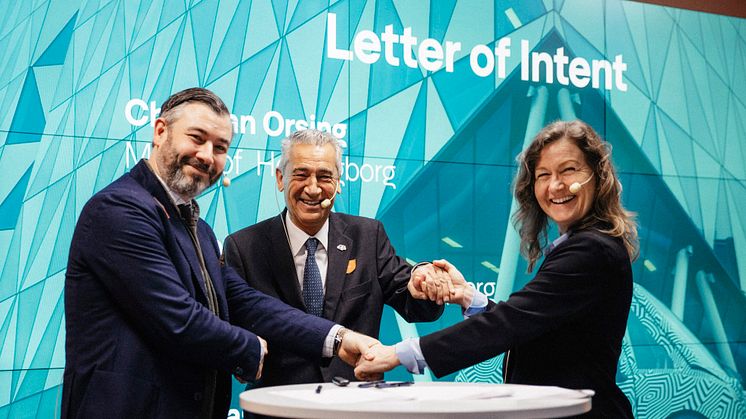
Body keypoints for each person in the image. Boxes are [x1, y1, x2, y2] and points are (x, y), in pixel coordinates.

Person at [62, 88, 378, 419]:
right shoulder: (120, 210)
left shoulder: (198, 229)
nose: (207, 155)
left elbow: (244, 301)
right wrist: (253, 349)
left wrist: (339, 338)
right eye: (196, 138)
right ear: (160, 132)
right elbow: (177, 319)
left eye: (220, 147)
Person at [356, 120, 638, 418]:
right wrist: (467, 297)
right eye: (543, 175)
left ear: (596, 175)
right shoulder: (583, 244)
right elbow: (530, 327)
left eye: (568, 170)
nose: (555, 186)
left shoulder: (590, 250)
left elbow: (511, 323)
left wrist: (399, 353)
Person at [223, 129, 449, 387]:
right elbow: (236, 331)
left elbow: (412, 301)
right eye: (301, 174)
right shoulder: (243, 246)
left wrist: (425, 285)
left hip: (354, 402)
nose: (313, 188)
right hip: (278, 404)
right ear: (280, 178)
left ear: (339, 182)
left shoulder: (368, 236)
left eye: (324, 176)